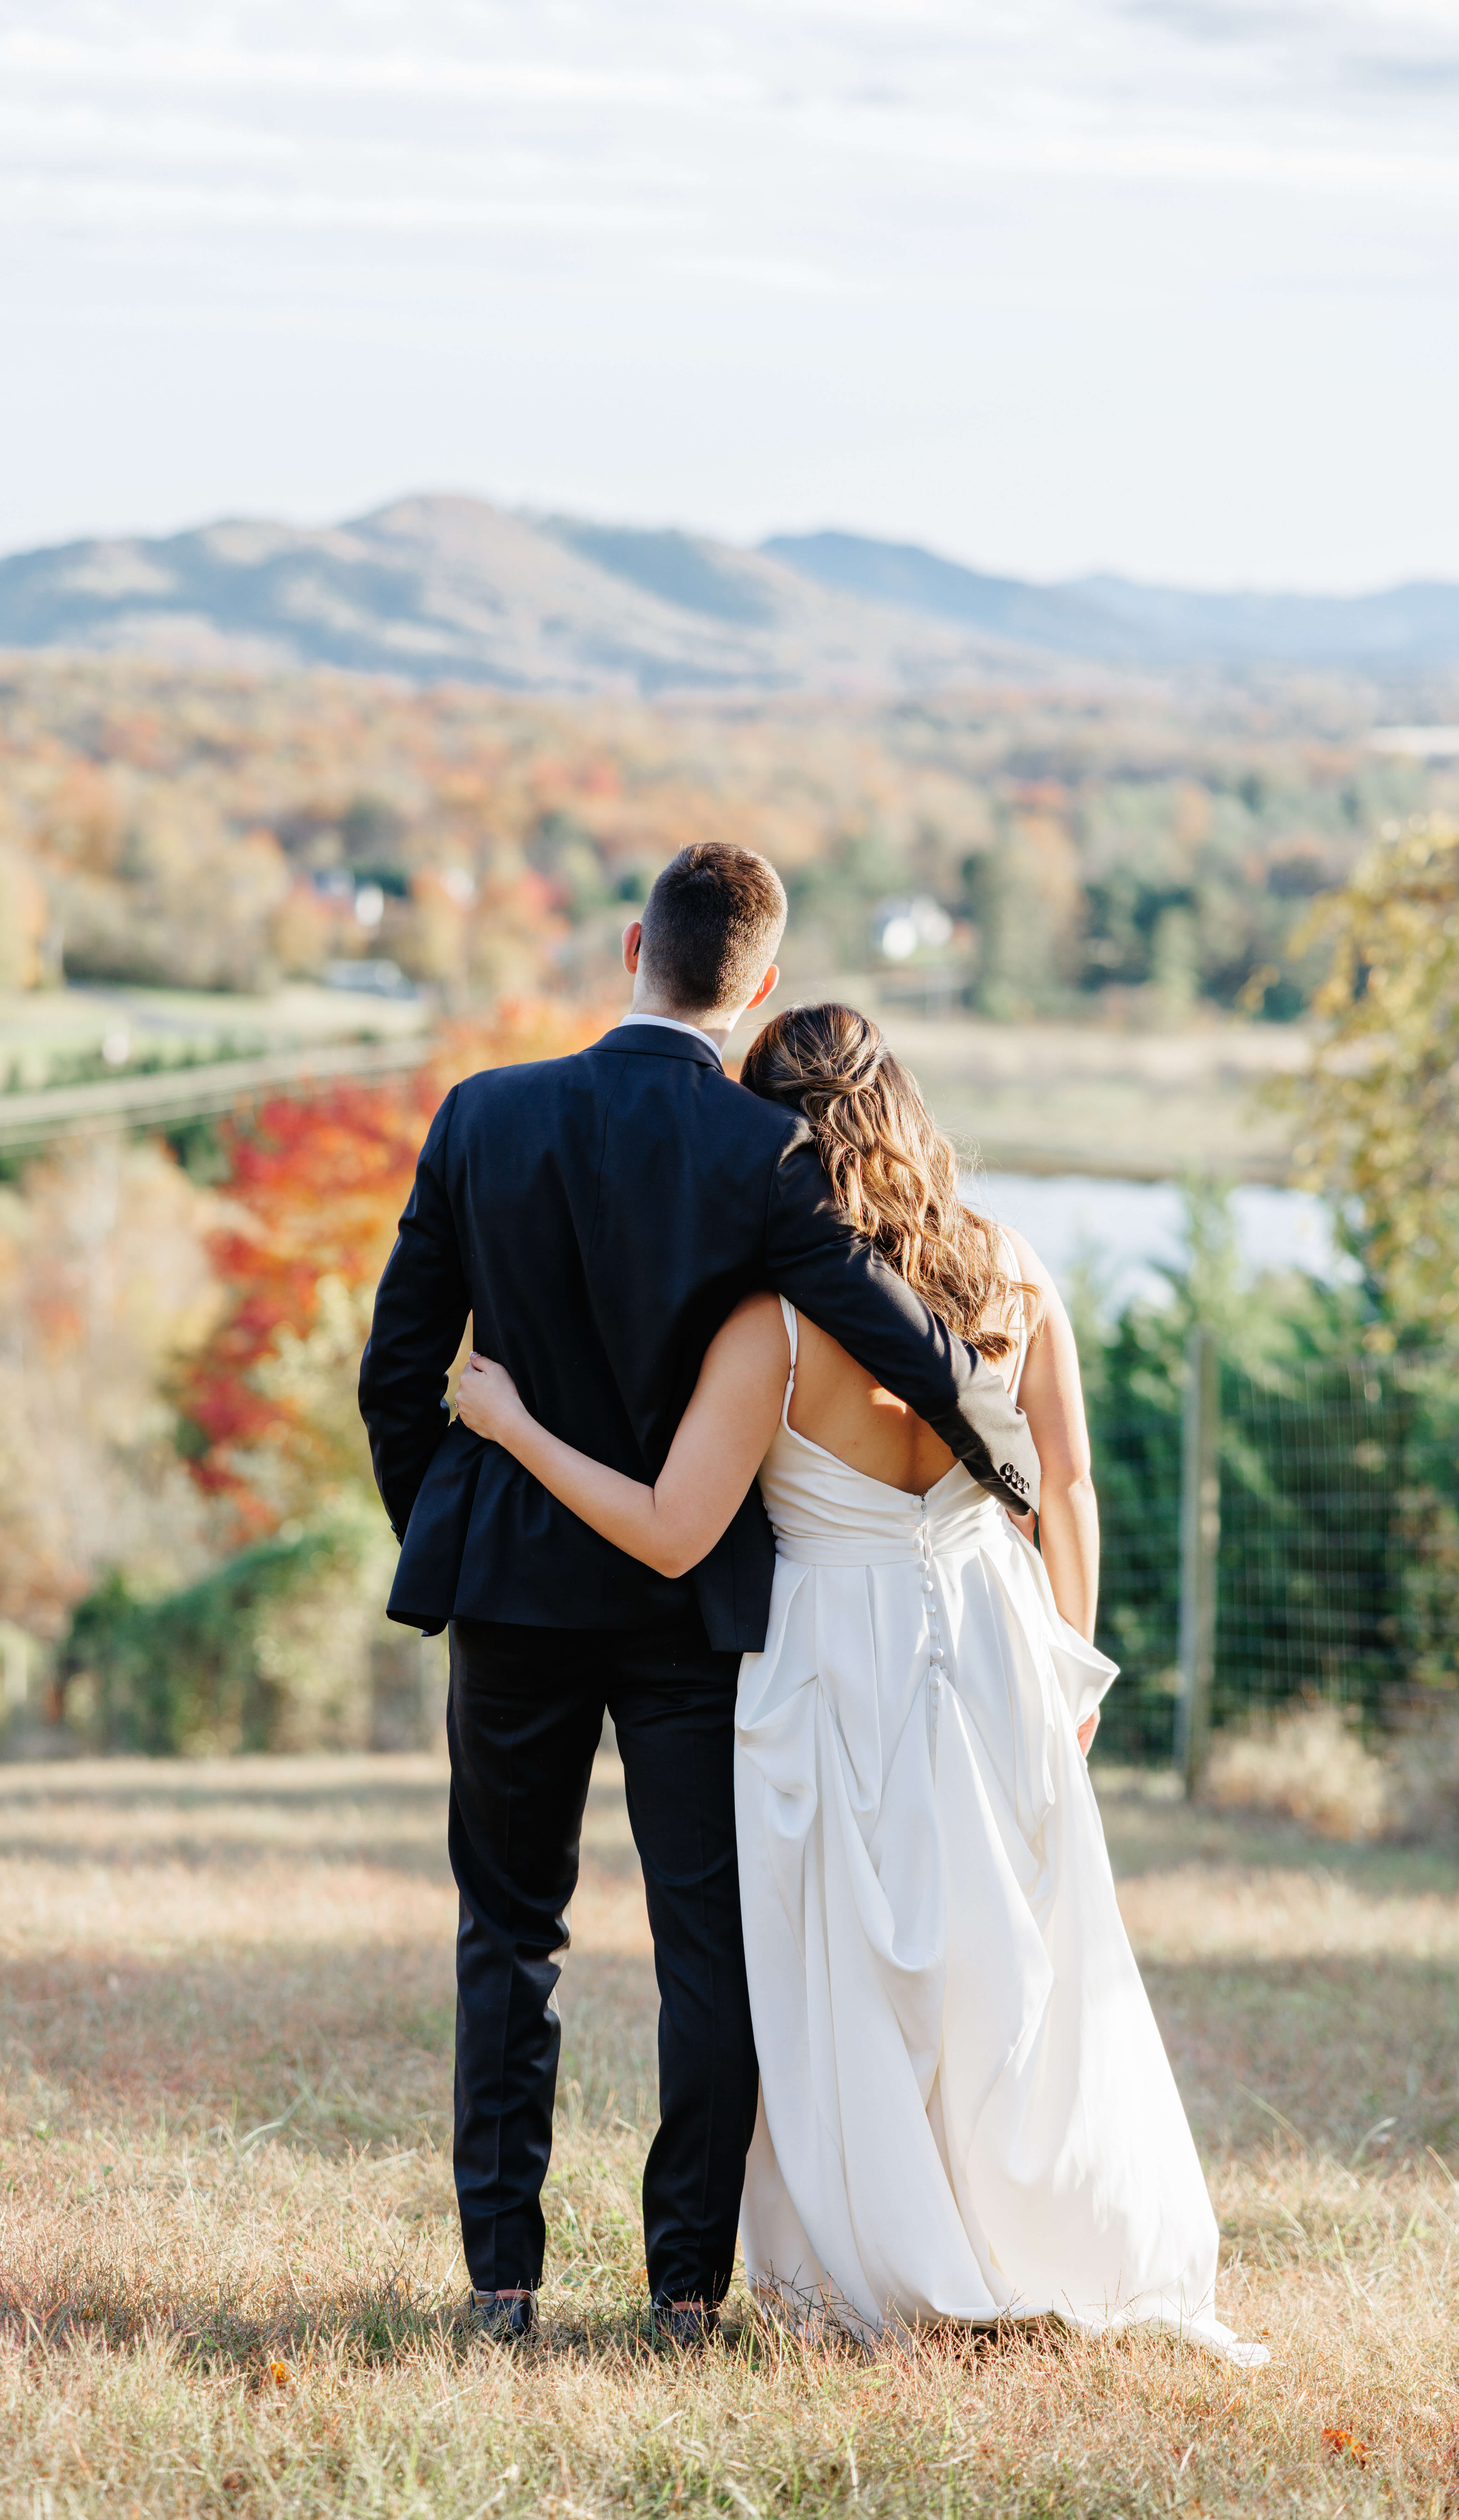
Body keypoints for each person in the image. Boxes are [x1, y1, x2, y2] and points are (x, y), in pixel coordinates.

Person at [453, 999, 1269, 2368]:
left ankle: (887, 2253)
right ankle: (1019, 2229)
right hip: (996, 1641)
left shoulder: (771, 1326)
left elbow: (668, 1527)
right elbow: (1062, 1486)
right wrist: (1069, 1671)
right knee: (1004, 1959)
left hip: (835, 1648)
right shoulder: (1013, 1271)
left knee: (850, 1972)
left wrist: (514, 1423)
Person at [358, 845, 1040, 2347]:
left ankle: (501, 2286)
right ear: (760, 988)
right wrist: (1017, 1468)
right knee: (705, 1949)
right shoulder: (766, 1156)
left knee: (509, 1935)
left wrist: (456, 1531)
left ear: (631, 948)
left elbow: (401, 1372)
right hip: (694, 1623)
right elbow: (902, 1336)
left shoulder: (483, 1115)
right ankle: (684, 2292)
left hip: (518, 1602)